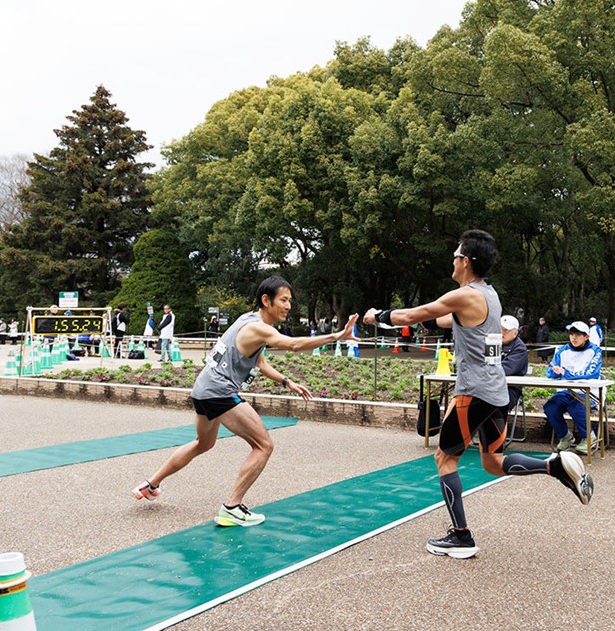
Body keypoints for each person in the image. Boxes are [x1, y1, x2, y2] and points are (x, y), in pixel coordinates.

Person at [364, 230, 592, 559]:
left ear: (466, 262)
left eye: (456, 256)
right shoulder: (488, 295)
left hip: (473, 392)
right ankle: (554, 467)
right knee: (493, 462)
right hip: (496, 391)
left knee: (444, 458)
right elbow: (442, 319)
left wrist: (379, 317)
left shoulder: (464, 294)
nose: (453, 261)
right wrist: (418, 322)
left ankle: (461, 536)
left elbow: (415, 314)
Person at [133, 276, 359, 528]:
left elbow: (260, 363)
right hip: (219, 391)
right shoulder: (260, 328)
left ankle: (151, 484)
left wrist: (287, 382)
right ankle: (232, 507)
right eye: (283, 300)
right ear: (266, 300)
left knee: (202, 443)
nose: (288, 306)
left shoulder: (247, 320)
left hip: (203, 389)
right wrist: (338, 335)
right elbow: (293, 345)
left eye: (290, 301)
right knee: (263, 445)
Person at [543, 321, 604, 454]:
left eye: (578, 334)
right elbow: (550, 370)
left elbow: (591, 374)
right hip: (566, 391)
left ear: (586, 336)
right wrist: (555, 371)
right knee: (550, 407)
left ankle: (588, 437)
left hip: (589, 393)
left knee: (576, 405)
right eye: (571, 334)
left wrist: (566, 373)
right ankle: (565, 436)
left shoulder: (595, 351)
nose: (573, 338)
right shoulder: (562, 350)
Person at [500, 314, 529, 410]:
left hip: (509, 389)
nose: (501, 332)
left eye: (506, 330)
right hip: (488, 386)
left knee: (493, 404)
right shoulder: (492, 343)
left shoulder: (519, 348)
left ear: (515, 333)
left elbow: (506, 370)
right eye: (499, 328)